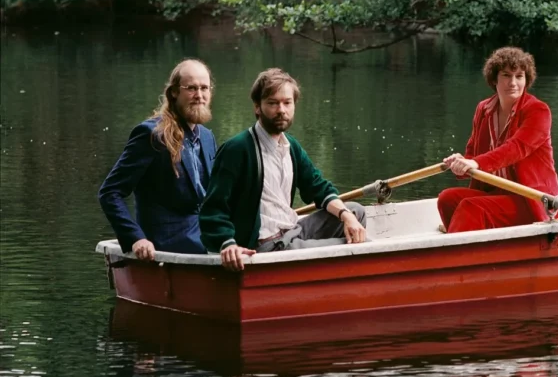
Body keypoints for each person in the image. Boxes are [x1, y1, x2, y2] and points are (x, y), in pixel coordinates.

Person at [200, 68, 366, 271]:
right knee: (358, 245)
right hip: (266, 246)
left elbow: (317, 187)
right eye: (272, 103)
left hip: (293, 231)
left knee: (356, 212)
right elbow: (212, 209)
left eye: (287, 103)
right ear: (257, 107)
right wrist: (228, 243)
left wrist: (346, 216)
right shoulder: (238, 149)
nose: (281, 110)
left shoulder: (291, 146)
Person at [98, 59, 216, 260]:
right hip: (164, 246)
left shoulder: (206, 137)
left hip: (204, 238)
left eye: (204, 88)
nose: (199, 95)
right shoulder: (151, 134)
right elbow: (110, 192)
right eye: (191, 88)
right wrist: (136, 238)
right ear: (174, 93)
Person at [438, 46, 558, 233]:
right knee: (447, 199)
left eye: (519, 76)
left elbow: (516, 149)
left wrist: (475, 163)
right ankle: (471, 250)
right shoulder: (483, 109)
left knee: (472, 208)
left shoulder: (538, 111)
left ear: (526, 80)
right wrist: (460, 164)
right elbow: (473, 156)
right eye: (506, 75)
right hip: (496, 195)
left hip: (532, 200)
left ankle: (453, 257)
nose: (513, 82)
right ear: (494, 78)